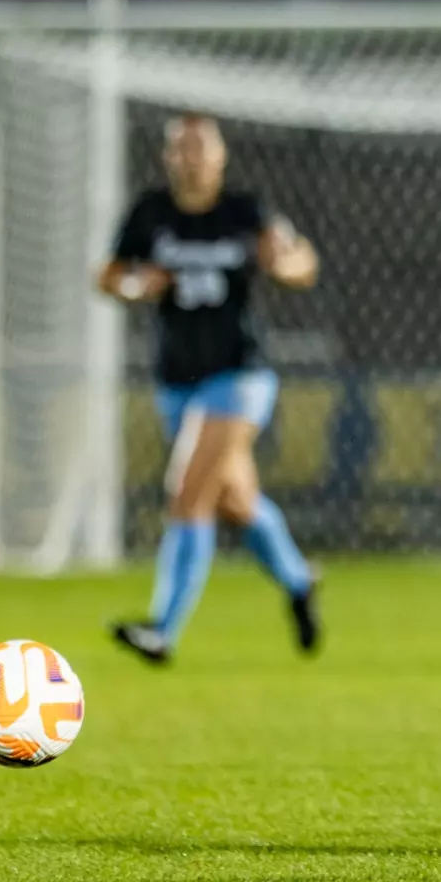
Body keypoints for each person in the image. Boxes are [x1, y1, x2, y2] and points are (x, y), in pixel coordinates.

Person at [100, 113, 322, 663]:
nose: (192, 157)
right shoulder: (150, 214)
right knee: (236, 501)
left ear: (220, 157)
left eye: (202, 147)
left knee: (188, 491)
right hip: (178, 380)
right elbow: (108, 276)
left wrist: (286, 265)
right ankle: (298, 580)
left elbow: (301, 260)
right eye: (182, 148)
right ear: (168, 157)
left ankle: (163, 629)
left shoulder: (246, 212)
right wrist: (135, 285)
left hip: (239, 376)